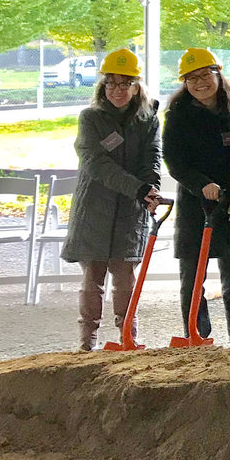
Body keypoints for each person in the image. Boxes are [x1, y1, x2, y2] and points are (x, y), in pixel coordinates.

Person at [60, 48, 163, 351]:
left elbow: (152, 159)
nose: (117, 90)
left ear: (136, 86)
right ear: (103, 86)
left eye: (125, 83)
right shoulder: (90, 118)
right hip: (95, 207)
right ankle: (86, 343)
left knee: (125, 278)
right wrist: (138, 188)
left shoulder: (148, 120)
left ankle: (128, 337)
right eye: (111, 83)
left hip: (131, 210)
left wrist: (151, 189)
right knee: (93, 277)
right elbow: (96, 164)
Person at [162, 48, 230, 346]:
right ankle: (197, 337)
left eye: (205, 75)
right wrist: (202, 185)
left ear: (218, 74)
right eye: (191, 78)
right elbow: (174, 162)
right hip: (194, 207)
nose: (199, 82)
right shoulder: (177, 117)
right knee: (192, 280)